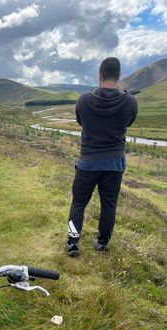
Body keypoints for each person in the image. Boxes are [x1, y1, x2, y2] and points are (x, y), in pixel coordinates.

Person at [66, 57, 138, 257]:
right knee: (109, 204)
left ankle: (72, 243)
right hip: (114, 163)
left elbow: (81, 121)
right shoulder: (130, 101)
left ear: (100, 75)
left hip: (88, 162)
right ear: (119, 76)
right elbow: (129, 122)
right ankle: (102, 243)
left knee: (78, 203)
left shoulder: (84, 100)